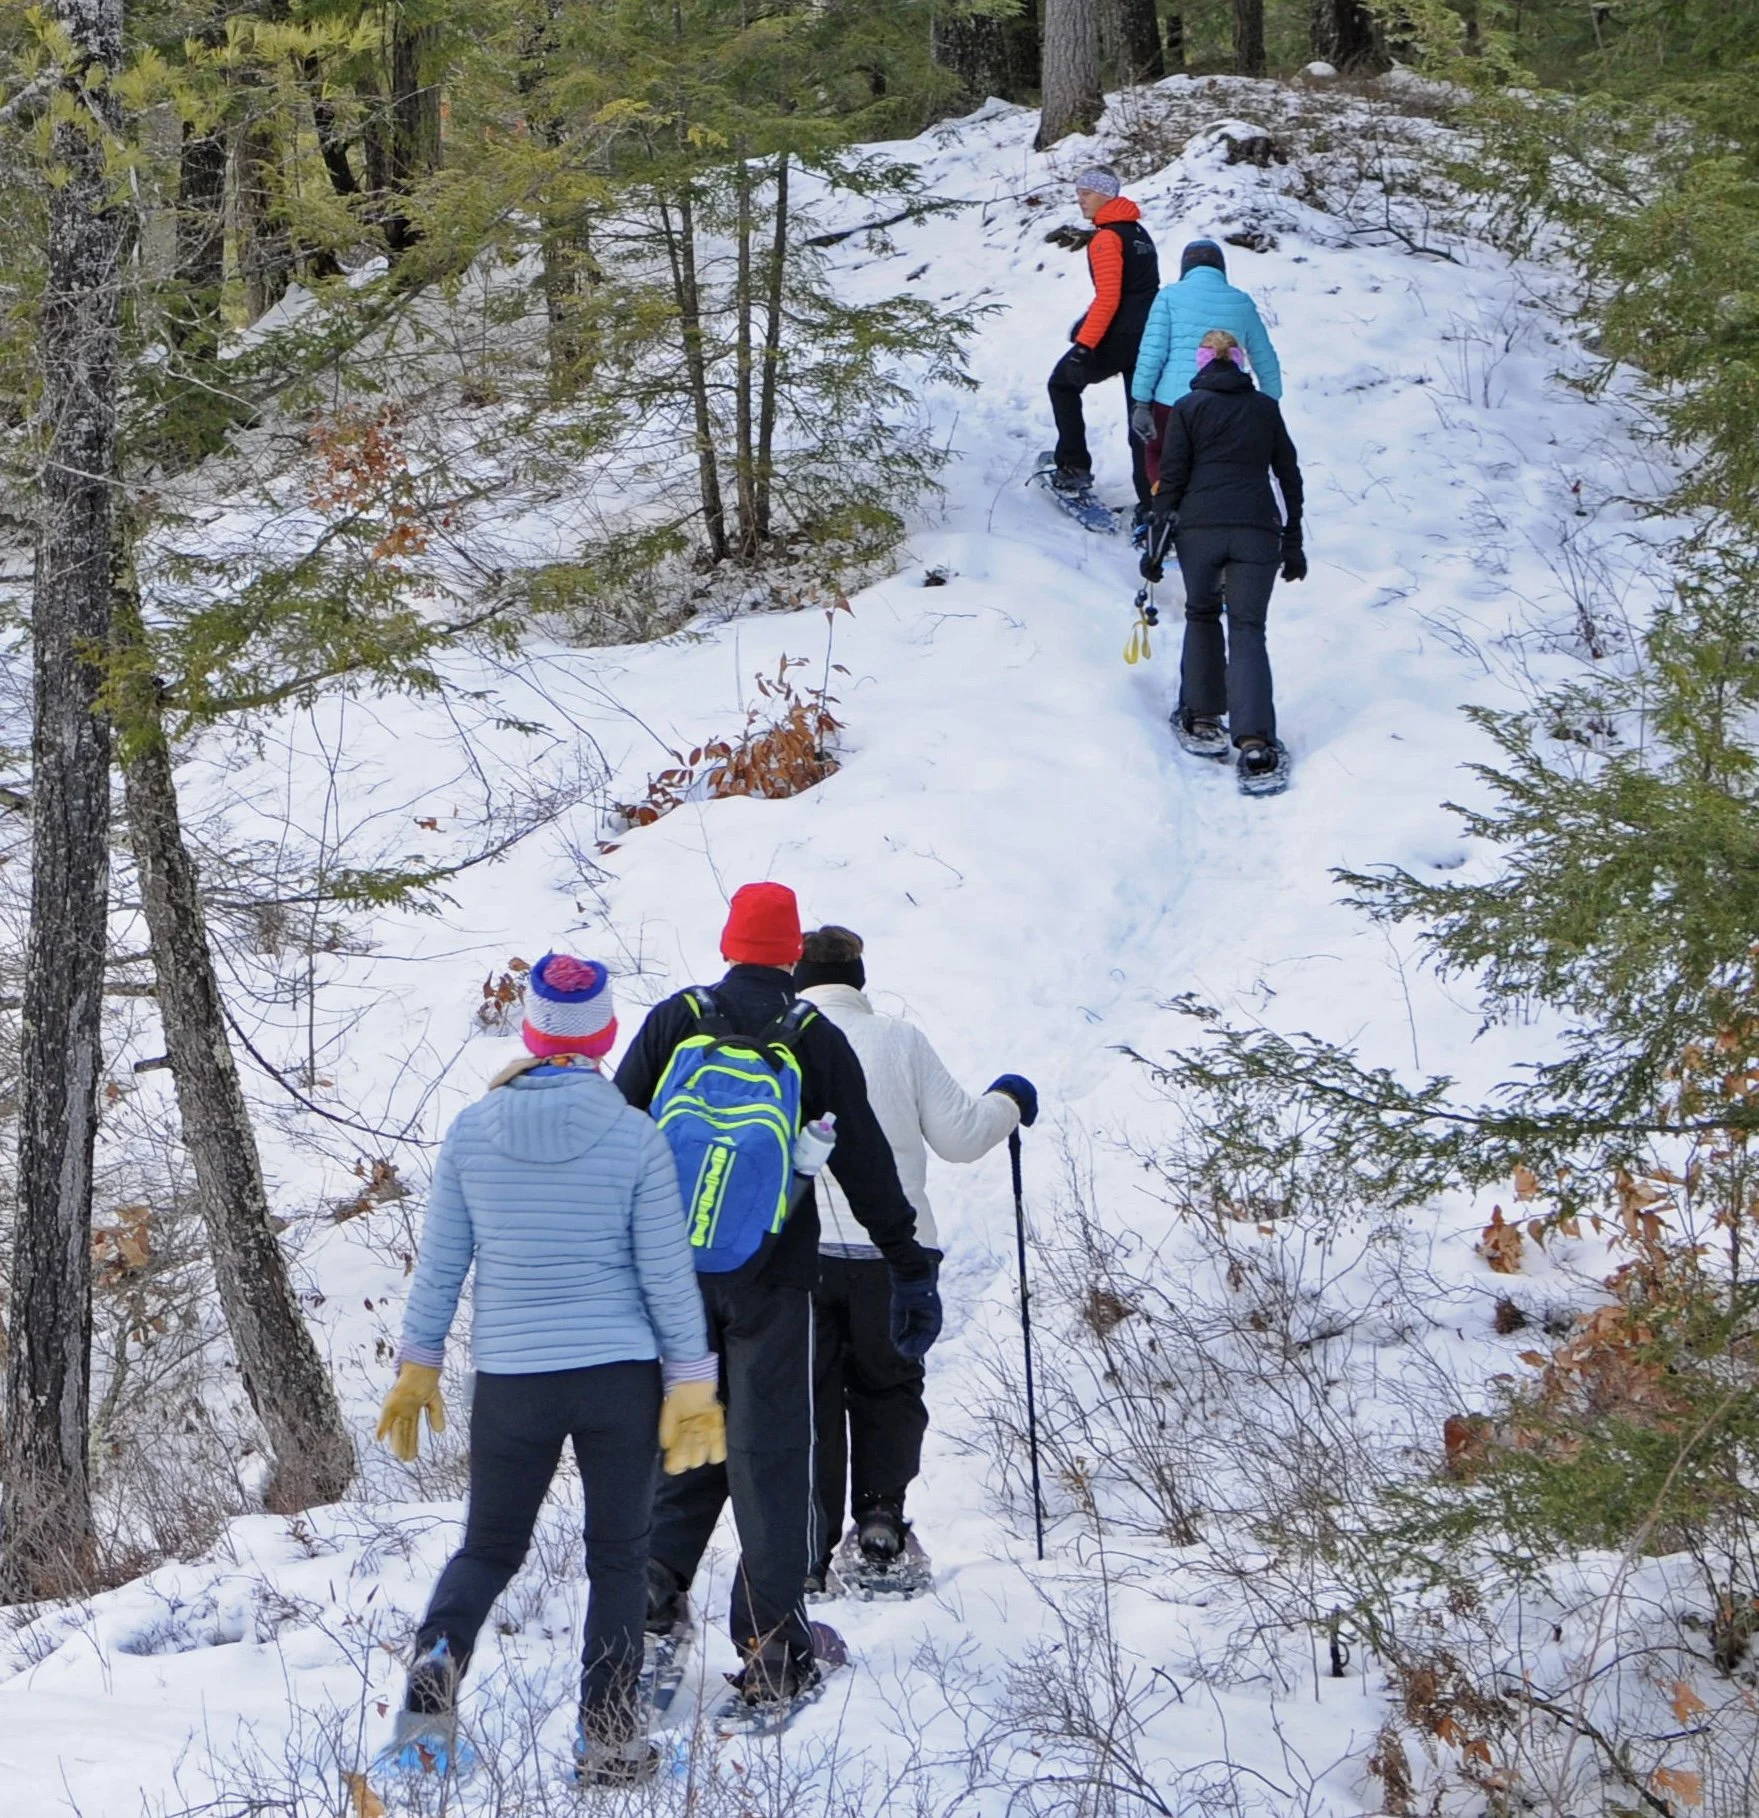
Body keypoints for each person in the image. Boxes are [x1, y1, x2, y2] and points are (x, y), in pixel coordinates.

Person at [375, 953, 726, 1787]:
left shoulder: (472, 1132)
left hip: (513, 1379)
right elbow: (665, 1273)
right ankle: (607, 1741)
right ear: (606, 1035)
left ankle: (428, 1708)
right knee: (618, 1558)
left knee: (489, 1549)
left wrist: (419, 1366)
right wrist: (692, 1377)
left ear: (531, 1030)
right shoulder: (633, 1135)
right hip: (618, 1378)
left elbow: (441, 1267)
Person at [612, 883, 939, 1707]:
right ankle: (772, 1649)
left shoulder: (676, 1019)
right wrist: (906, 1262)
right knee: (770, 1458)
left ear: (728, 942)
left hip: (672, 1275)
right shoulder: (811, 1036)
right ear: (791, 953)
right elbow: (866, 1165)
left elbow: (614, 1133)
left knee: (686, 1435)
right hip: (772, 1280)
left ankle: (649, 1600)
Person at [791, 925, 1036, 1587]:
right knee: (890, 1386)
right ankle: (880, 1524)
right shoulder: (898, 1041)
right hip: (895, 1255)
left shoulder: (779, 1041)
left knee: (808, 1399)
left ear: (797, 976)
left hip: (799, 1254)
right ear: (859, 979)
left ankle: (806, 1547)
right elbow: (961, 1137)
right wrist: (1008, 1101)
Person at [1140, 328, 1306, 789]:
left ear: (1201, 362)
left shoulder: (1187, 408)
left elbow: (1172, 479)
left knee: (1202, 613)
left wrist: (1155, 544)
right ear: (1240, 362)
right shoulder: (1265, 409)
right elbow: (1288, 476)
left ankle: (1201, 717)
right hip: (1257, 529)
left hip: (1200, 530)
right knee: (1248, 627)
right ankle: (1256, 744)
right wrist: (1293, 540)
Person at [1045, 166, 1160, 523]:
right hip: (1149, 338)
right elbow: (1141, 292)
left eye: (1087, 193)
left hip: (1118, 337)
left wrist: (1084, 346)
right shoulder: (1139, 233)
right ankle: (1153, 504)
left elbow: (1109, 298)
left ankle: (1073, 468)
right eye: (1078, 192)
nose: (1080, 199)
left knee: (1062, 384)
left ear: (1107, 195)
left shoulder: (1107, 238)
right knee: (1141, 419)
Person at [1130, 239, 1284, 496]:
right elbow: (1264, 357)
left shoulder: (1169, 297)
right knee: (1215, 463)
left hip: (1172, 402)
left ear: (1185, 267)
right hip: (1229, 403)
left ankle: (1164, 504)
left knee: (1158, 453)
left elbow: (1152, 353)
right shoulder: (1241, 301)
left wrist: (1142, 403)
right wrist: (1269, 403)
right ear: (1221, 267)